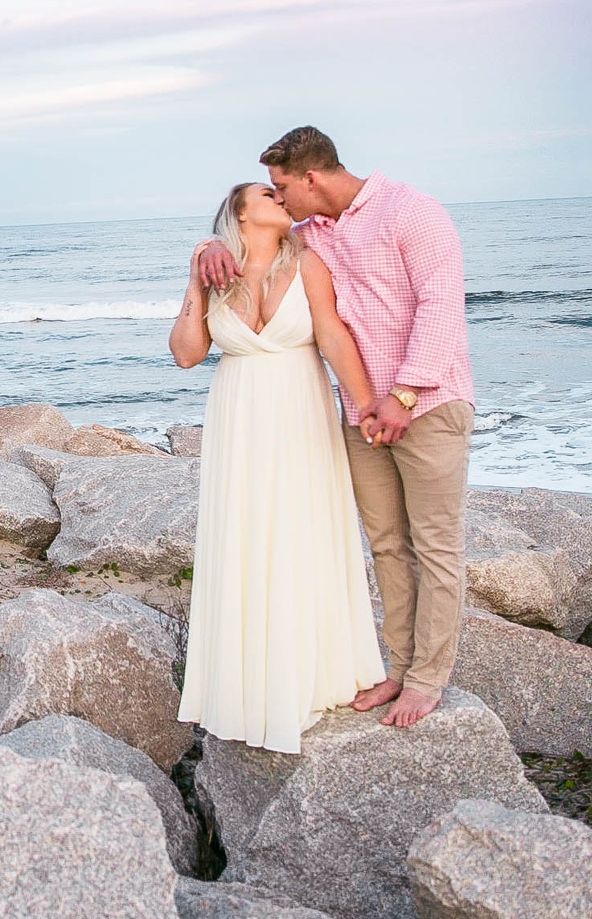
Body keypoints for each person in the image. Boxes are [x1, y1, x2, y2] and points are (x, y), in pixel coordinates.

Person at [200, 126, 473, 729]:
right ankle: (398, 669)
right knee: (386, 545)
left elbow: (441, 307)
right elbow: (245, 237)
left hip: (424, 404)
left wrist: (402, 394)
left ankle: (428, 681)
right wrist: (205, 248)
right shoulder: (313, 230)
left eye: (281, 187)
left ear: (310, 179)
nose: (280, 199)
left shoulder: (414, 213)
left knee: (434, 546)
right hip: (361, 411)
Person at [170, 180, 387, 753]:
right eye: (266, 193)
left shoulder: (309, 262)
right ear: (240, 215)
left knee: (301, 531)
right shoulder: (214, 271)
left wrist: (367, 406)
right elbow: (186, 354)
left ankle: (311, 675)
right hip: (238, 415)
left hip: (300, 408)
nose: (280, 197)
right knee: (243, 537)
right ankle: (242, 684)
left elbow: (335, 338)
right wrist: (195, 276)